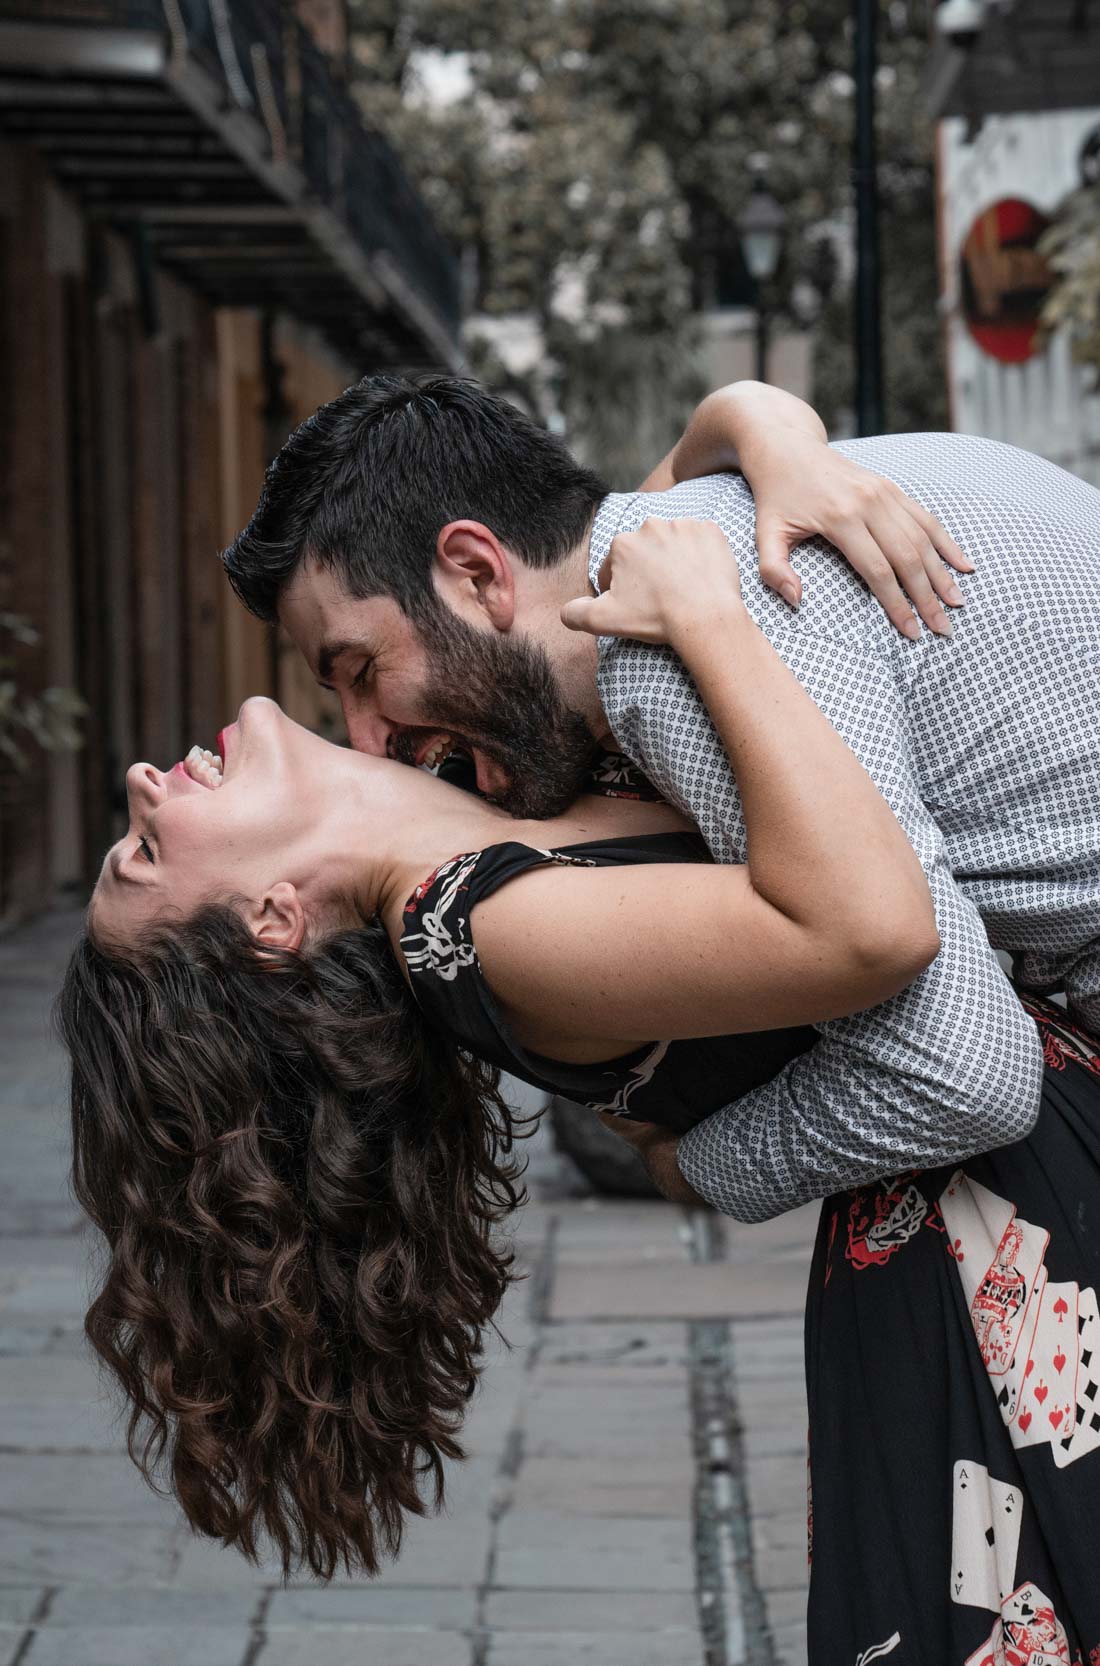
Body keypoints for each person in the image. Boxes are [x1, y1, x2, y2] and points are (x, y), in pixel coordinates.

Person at [215, 372, 1100, 1660]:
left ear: (473, 571)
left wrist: (701, 1165)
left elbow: (964, 1071)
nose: (372, 734)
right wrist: (752, 414)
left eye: (361, 671)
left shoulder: (673, 657)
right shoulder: (673, 544)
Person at [60, 521, 939, 1589]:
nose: (145, 778)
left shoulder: (457, 799)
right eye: (148, 851)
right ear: (270, 920)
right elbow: (871, 933)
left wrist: (760, 421)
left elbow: (610, 526)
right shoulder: (482, 932)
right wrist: (707, 619)